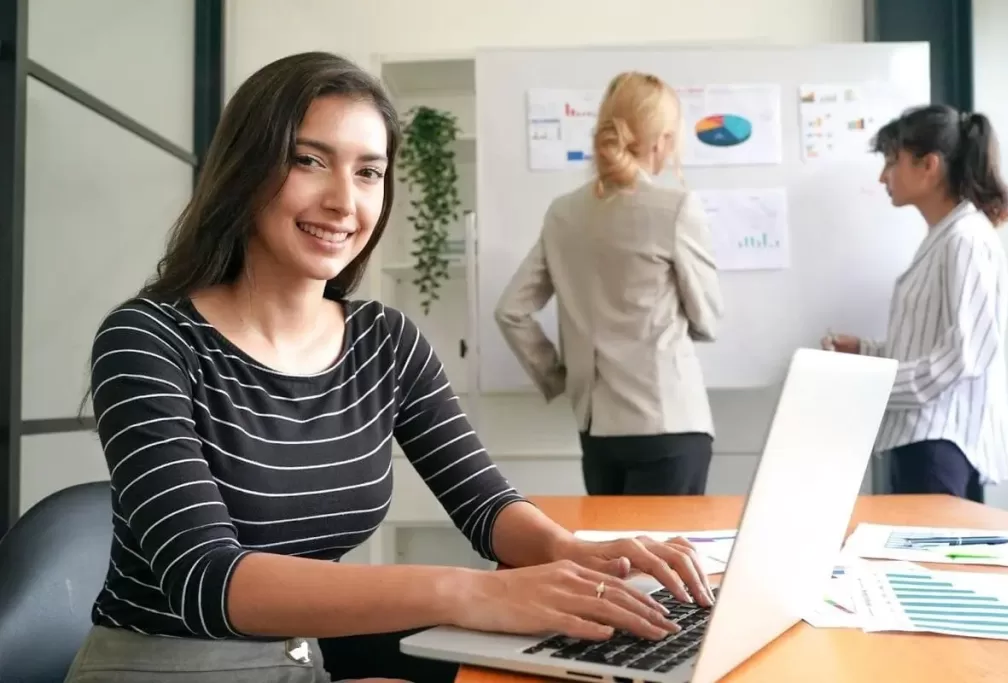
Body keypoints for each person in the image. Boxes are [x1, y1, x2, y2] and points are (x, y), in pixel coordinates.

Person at [64, 53, 717, 683]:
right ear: (246, 167)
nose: (344, 200)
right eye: (309, 160)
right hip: (166, 664)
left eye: (369, 172)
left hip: (299, 654)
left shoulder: (383, 339)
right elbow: (208, 579)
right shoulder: (147, 341)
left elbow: (485, 505)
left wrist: (569, 550)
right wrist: (470, 594)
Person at [494, 72, 723, 497]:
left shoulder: (563, 213)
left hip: (598, 431)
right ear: (662, 141)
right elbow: (708, 320)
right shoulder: (676, 208)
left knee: (614, 561)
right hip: (669, 424)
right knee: (666, 562)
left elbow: (511, 311)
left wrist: (559, 377)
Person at [822, 104, 1008, 503]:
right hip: (922, 437)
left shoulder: (966, 239)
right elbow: (928, 345)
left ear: (929, 165)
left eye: (892, 161)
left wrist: (872, 385)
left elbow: (963, 357)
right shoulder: (944, 237)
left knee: (930, 562)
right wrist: (866, 351)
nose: (883, 176)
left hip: (940, 443)